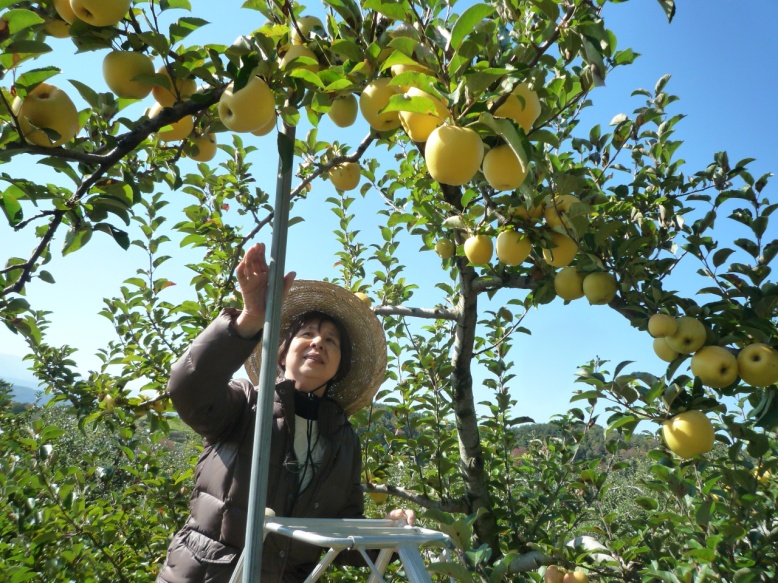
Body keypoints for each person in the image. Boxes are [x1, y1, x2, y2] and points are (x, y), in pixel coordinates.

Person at [156, 243, 415, 583]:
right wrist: (250, 317)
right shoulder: (246, 404)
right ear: (282, 354)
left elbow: (341, 537)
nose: (318, 343)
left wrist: (388, 531)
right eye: (306, 334)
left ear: (339, 367)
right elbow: (188, 387)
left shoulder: (343, 440)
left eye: (331, 341)